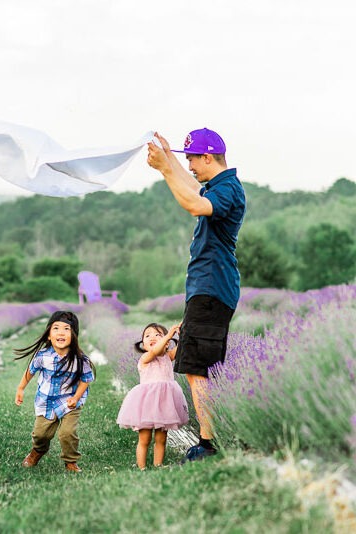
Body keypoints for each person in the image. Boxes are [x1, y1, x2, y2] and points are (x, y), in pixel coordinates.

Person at [147, 128, 246, 462]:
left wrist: (164, 169)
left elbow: (194, 204)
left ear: (208, 156)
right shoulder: (220, 186)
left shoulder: (228, 190)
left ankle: (209, 443)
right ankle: (214, 436)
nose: (189, 165)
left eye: (191, 158)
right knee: (199, 365)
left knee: (198, 367)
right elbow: (195, 190)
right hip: (209, 288)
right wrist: (170, 162)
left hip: (212, 288)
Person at [14, 310, 95, 473]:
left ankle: (70, 461)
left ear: (73, 335)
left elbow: (86, 379)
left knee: (67, 433)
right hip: (46, 401)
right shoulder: (43, 356)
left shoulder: (80, 359)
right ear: (49, 335)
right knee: (40, 434)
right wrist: (21, 388)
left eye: (66, 329)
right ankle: (37, 451)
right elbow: (30, 371)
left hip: (69, 402)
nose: (61, 332)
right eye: (56, 328)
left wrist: (76, 397)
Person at [116, 323, 188, 469]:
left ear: (167, 343)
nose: (152, 337)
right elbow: (155, 351)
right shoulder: (145, 357)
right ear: (143, 344)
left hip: (164, 404)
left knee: (161, 439)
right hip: (147, 405)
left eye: (157, 335)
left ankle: (158, 465)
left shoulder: (168, 356)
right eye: (147, 335)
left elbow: (181, 349)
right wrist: (168, 335)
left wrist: (181, 335)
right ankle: (141, 467)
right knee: (145, 438)